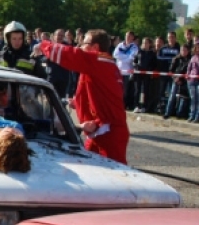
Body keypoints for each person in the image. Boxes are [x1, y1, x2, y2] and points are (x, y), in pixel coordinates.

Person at [35, 29, 129, 164]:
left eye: (84, 43)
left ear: (95, 47)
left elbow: (72, 55)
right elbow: (100, 94)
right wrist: (77, 102)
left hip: (109, 132)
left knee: (116, 174)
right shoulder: (106, 64)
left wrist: (44, 46)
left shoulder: (99, 61)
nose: (80, 46)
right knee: (86, 164)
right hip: (100, 128)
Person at [163, 44, 191, 119]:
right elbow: (171, 70)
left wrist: (182, 79)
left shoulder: (190, 60)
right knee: (172, 96)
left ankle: (180, 114)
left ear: (188, 51)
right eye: (182, 50)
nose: (183, 52)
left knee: (183, 97)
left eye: (185, 50)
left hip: (185, 81)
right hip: (176, 80)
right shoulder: (176, 59)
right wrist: (175, 78)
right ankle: (167, 113)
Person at [113, 31, 138, 109]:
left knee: (125, 90)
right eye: (126, 35)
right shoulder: (120, 45)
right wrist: (125, 57)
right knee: (117, 89)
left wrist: (122, 57)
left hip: (127, 72)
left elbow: (131, 58)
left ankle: (123, 104)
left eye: (130, 36)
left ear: (132, 37)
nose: (127, 37)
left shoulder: (134, 47)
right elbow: (115, 55)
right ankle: (116, 103)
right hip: (118, 71)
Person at [132, 37, 157, 113]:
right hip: (139, 73)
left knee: (146, 90)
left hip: (147, 74)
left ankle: (144, 106)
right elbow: (135, 61)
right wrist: (136, 67)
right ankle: (136, 106)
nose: (144, 44)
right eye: (143, 43)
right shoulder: (139, 52)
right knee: (137, 90)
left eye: (146, 43)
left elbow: (154, 64)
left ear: (149, 44)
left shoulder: (152, 53)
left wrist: (150, 70)